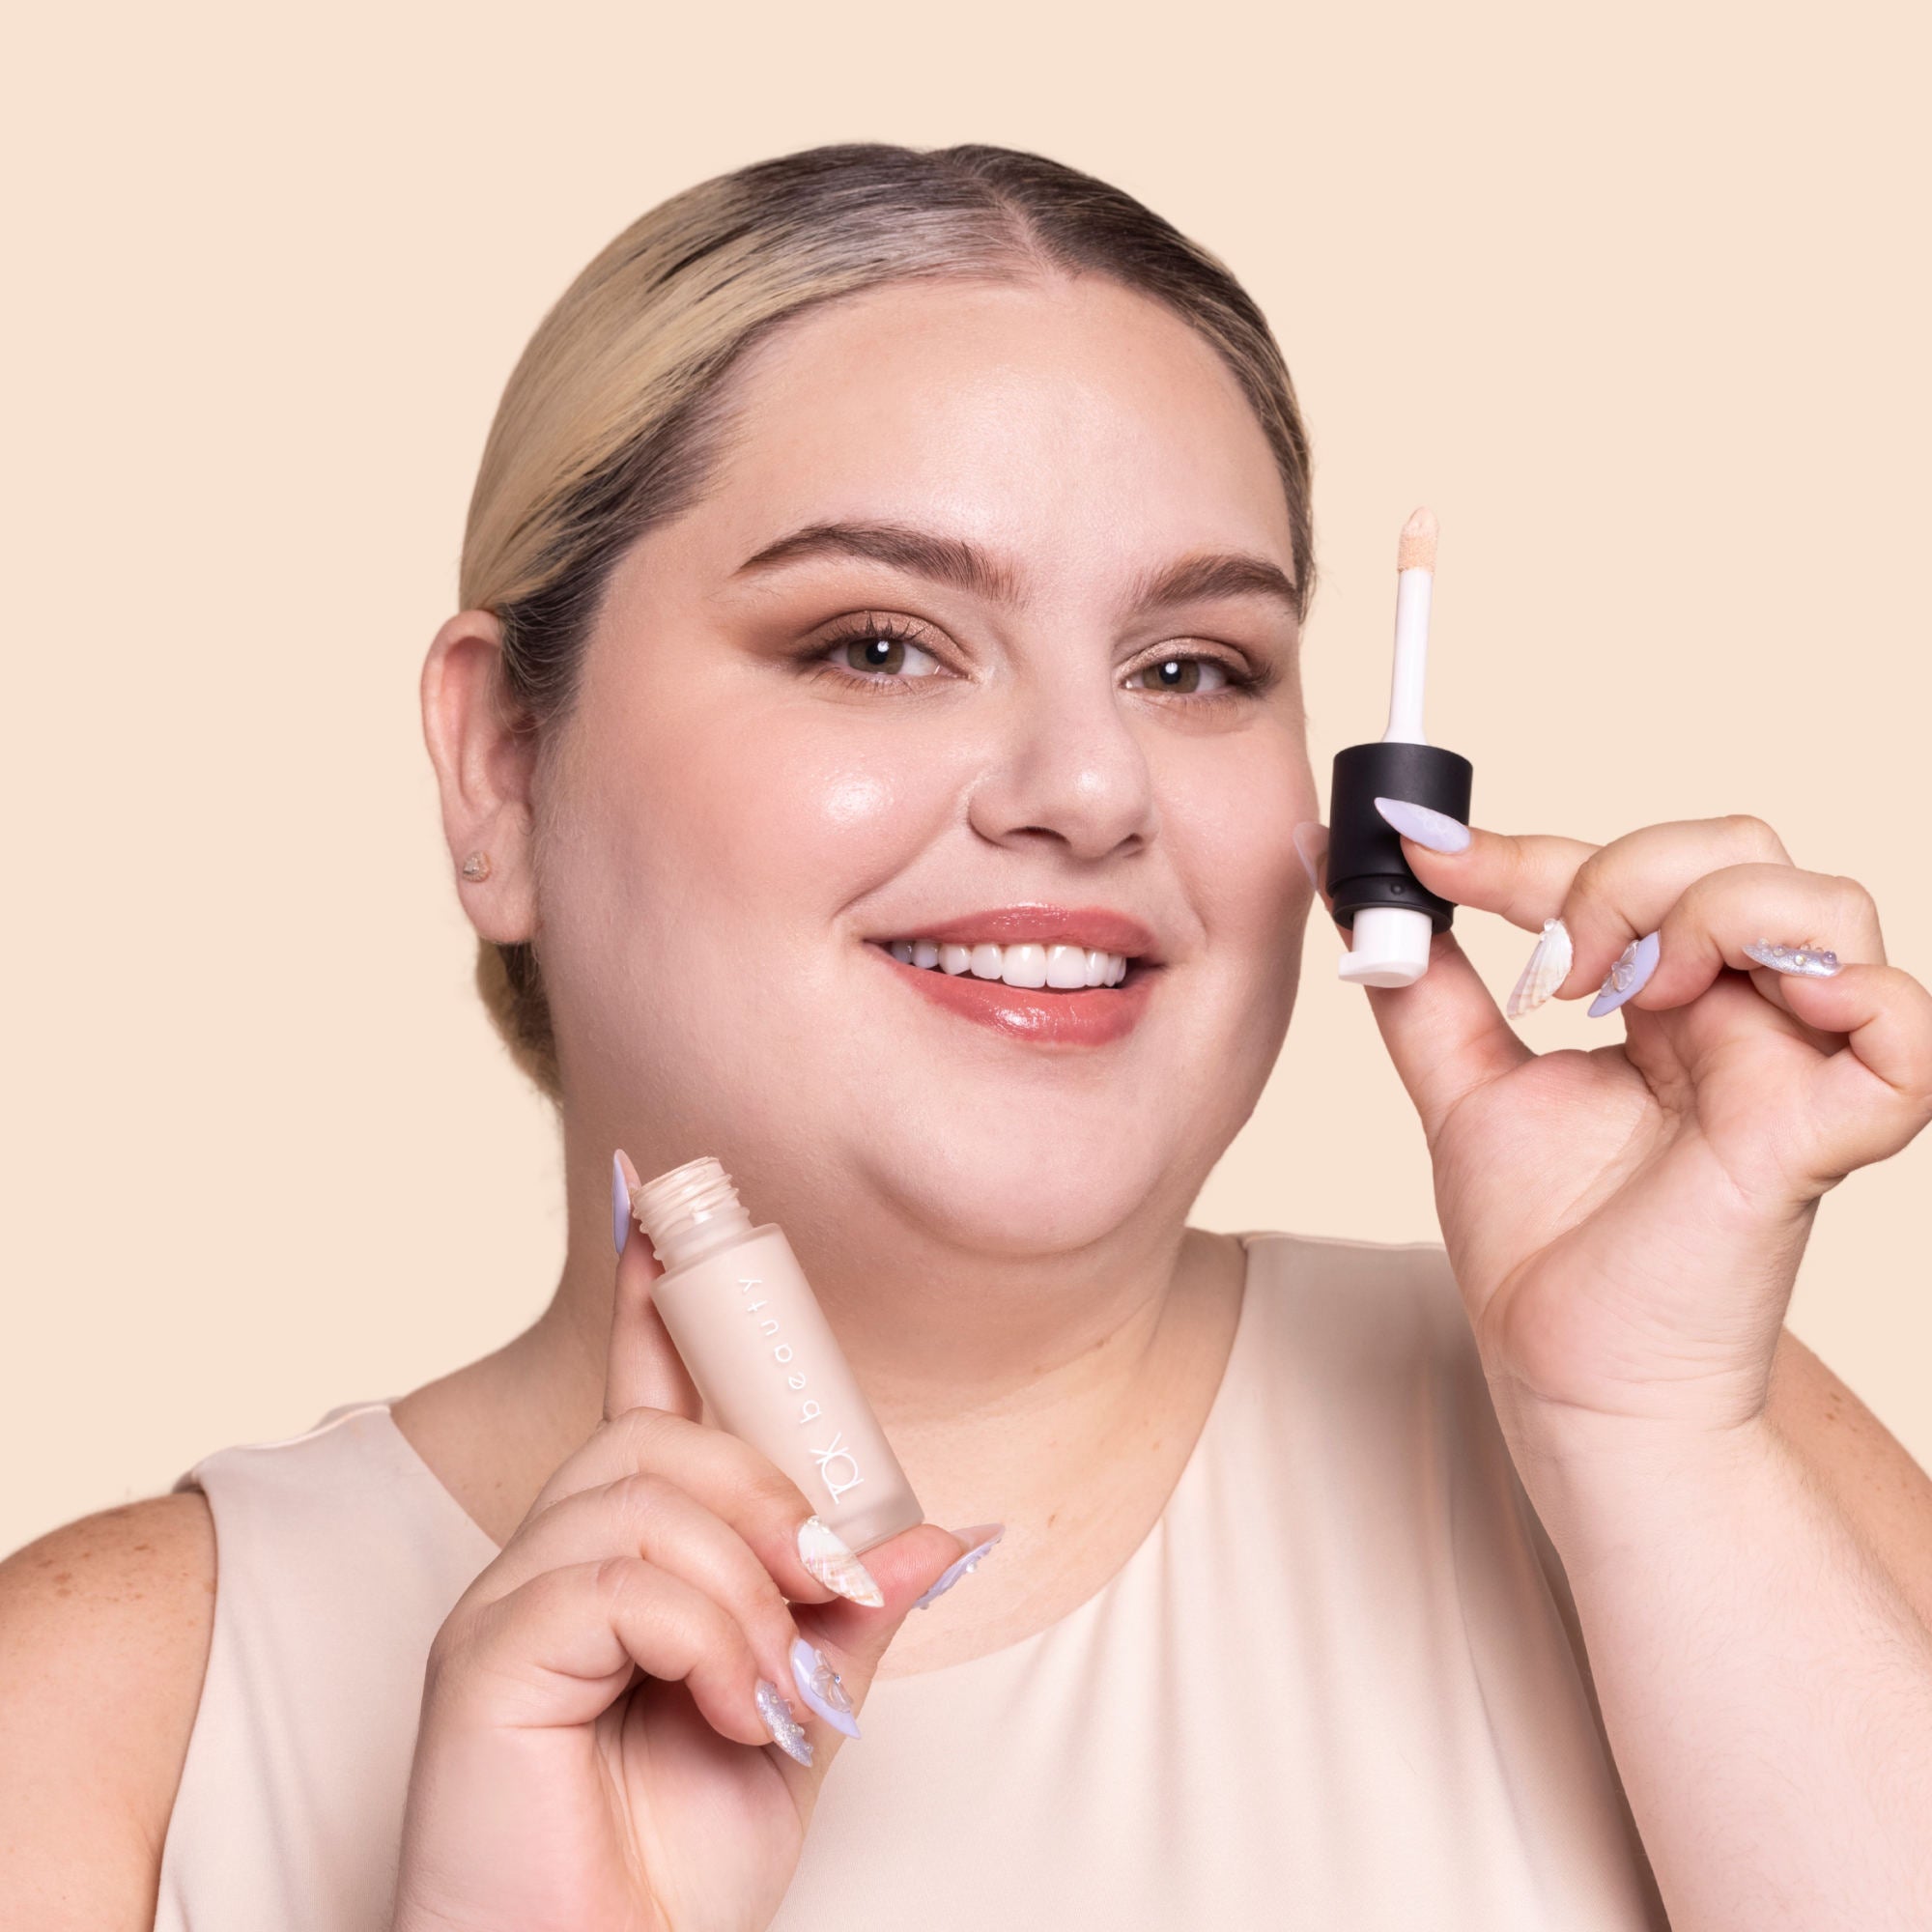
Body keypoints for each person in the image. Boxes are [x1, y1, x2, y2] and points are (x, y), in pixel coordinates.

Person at [5, 141, 1931, 1932]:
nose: (1091, 787)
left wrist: (1646, 1438)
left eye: (1193, 668)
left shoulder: (1678, 1440)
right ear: (502, 766)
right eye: (876, 644)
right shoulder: (111, 1722)